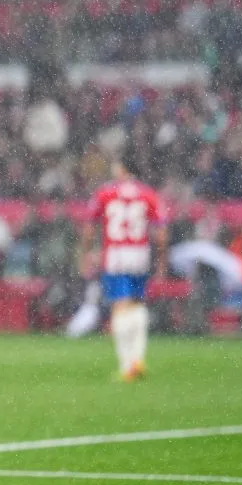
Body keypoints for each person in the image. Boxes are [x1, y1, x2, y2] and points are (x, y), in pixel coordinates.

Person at [79, 155, 167, 381]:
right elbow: (161, 233)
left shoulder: (105, 193)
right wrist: (161, 260)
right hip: (140, 253)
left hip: (116, 254)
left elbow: (89, 226)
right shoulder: (148, 194)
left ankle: (127, 364)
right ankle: (138, 359)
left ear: (122, 169)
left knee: (120, 306)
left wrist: (86, 253)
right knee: (137, 302)